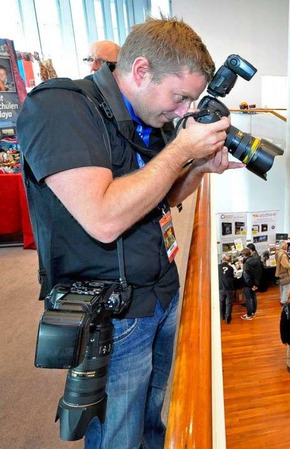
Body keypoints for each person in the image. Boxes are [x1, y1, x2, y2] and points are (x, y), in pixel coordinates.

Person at [17, 17, 243, 449]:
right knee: (119, 432)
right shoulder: (60, 107)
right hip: (114, 316)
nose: (182, 111)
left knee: (154, 419)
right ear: (141, 71)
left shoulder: (148, 117)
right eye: (180, 97)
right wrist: (182, 148)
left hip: (160, 290)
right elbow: (103, 216)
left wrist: (196, 167)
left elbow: (164, 195)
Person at [241, 246, 262, 319]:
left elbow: (246, 277)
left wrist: (251, 285)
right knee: (254, 297)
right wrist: (256, 284)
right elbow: (260, 272)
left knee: (248, 299)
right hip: (256, 282)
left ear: (244, 255)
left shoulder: (246, 264)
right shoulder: (257, 260)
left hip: (248, 285)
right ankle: (253, 312)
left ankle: (249, 315)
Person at [275, 240, 290, 305]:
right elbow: (286, 265)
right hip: (285, 273)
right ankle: (284, 301)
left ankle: (282, 298)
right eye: (286, 244)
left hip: (280, 273)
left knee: (282, 287)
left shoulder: (278, 252)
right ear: (283, 246)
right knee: (286, 288)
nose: (287, 245)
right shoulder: (283, 255)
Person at [218, 254, 235, 324]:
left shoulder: (218, 267)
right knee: (229, 303)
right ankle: (228, 318)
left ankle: (222, 316)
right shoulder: (231, 268)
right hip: (229, 288)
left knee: (221, 302)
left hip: (220, 287)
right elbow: (232, 278)